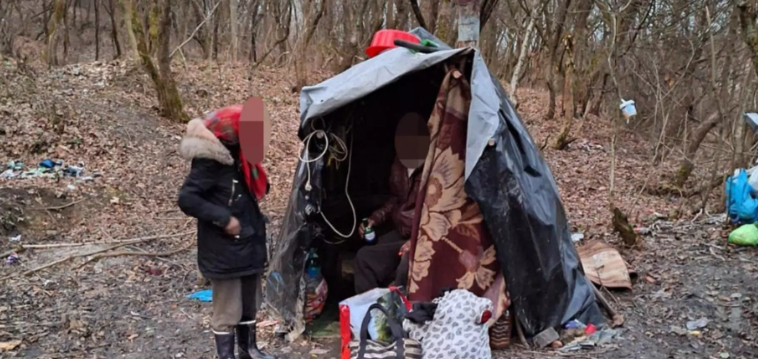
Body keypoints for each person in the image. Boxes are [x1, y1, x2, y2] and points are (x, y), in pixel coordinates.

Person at [177, 105, 274, 359]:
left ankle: (248, 350)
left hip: (248, 243)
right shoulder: (210, 160)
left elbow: (247, 190)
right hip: (225, 248)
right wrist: (223, 218)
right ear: (232, 131)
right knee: (227, 311)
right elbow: (187, 199)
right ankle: (226, 356)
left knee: (249, 304)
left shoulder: (240, 154)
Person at [353, 114, 429, 294]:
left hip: (423, 235)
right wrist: (374, 219)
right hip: (400, 230)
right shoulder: (400, 164)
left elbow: (439, 212)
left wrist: (415, 240)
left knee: (406, 264)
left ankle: (400, 315)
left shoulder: (433, 167)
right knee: (364, 258)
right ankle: (369, 311)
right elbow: (395, 199)